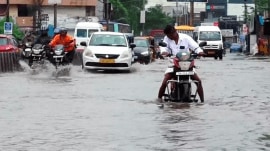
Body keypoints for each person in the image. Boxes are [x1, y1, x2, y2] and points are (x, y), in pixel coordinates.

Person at [157, 25, 205, 102]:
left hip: (187, 64)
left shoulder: (186, 38)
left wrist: (200, 52)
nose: (170, 37)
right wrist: (164, 52)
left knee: (198, 81)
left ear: (175, 32)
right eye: (168, 36)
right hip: (173, 64)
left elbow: (195, 46)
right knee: (165, 80)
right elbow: (163, 47)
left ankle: (202, 101)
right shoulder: (166, 39)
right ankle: (159, 99)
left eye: (171, 35)